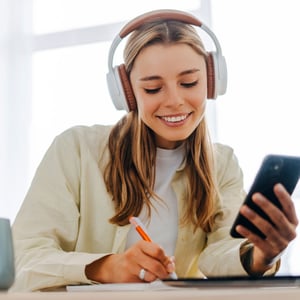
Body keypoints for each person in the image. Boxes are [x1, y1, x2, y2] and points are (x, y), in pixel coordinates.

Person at [11, 9, 298, 292]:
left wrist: (261, 256)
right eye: (152, 89)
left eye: (189, 83)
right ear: (126, 93)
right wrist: (107, 267)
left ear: (213, 80)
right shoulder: (75, 150)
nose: (174, 101)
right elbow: (24, 258)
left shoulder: (222, 163)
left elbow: (220, 252)